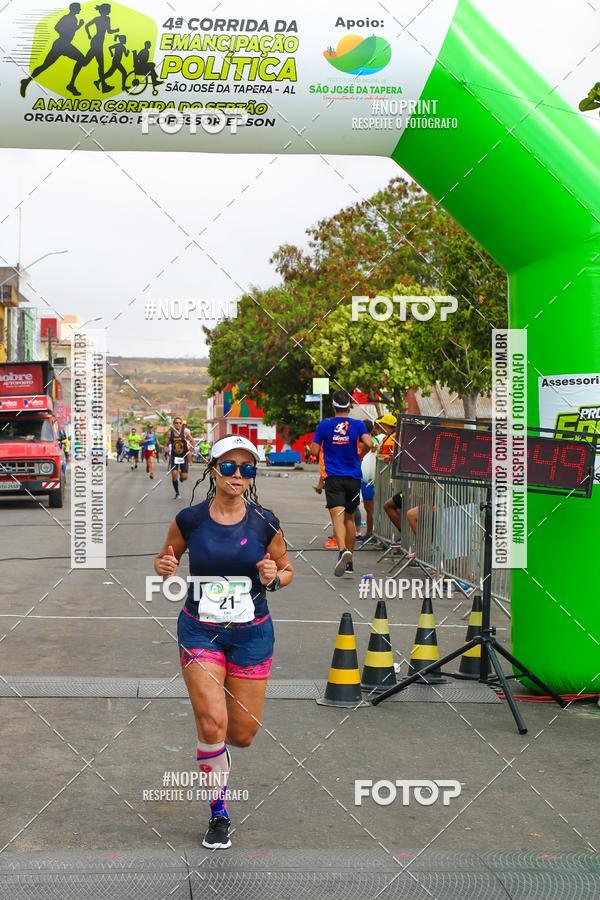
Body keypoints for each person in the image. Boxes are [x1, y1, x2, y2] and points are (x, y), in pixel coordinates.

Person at [154, 435, 293, 849]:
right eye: (229, 467)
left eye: (246, 469)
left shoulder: (265, 521)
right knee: (212, 723)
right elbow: (167, 558)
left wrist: (274, 577)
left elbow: (286, 569)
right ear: (213, 469)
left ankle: (219, 757)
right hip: (201, 630)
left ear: (253, 475)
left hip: (252, 634)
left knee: (242, 733)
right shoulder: (190, 520)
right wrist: (164, 566)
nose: (237, 475)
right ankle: (219, 813)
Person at [310, 390, 374, 576]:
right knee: (349, 518)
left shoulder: (325, 425)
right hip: (354, 476)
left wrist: (323, 446)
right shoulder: (358, 425)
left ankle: (341, 551)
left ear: (333, 406)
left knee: (337, 517)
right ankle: (350, 562)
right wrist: (359, 454)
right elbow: (370, 444)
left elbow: (314, 450)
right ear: (349, 406)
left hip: (334, 477)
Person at [20, 3, 85, 97]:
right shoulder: (68, 18)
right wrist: (77, 27)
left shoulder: (73, 18)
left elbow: (67, 29)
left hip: (63, 44)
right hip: (62, 44)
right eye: (79, 8)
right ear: (74, 9)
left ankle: (27, 80)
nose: (80, 9)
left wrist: (78, 26)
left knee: (45, 65)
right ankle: (71, 85)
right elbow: (57, 28)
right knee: (81, 59)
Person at [69, 3, 119, 95]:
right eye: (109, 9)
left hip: (96, 41)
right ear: (105, 10)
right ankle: (72, 83)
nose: (110, 11)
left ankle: (103, 86)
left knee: (91, 63)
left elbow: (87, 26)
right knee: (92, 63)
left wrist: (89, 35)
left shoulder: (98, 19)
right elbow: (109, 31)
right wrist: (116, 30)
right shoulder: (107, 19)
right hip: (97, 43)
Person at [166, 416, 194, 498]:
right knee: (174, 474)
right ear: (173, 424)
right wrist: (166, 450)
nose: (178, 424)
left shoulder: (185, 433)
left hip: (183, 456)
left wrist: (191, 450)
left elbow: (192, 441)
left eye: (180, 423)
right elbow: (166, 445)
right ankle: (177, 493)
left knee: (184, 477)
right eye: (176, 423)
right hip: (174, 457)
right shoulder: (170, 434)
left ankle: (181, 476)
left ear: (182, 424)